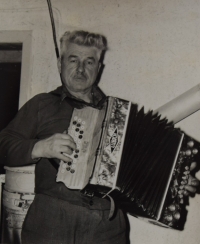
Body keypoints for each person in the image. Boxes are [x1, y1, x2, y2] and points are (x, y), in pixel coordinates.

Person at [0, 30, 199, 244]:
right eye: (73, 60)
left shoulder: (120, 115)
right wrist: (39, 147)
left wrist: (173, 178)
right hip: (52, 221)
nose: (80, 69)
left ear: (99, 68)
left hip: (107, 226)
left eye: (89, 62)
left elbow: (139, 166)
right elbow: (3, 146)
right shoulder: (42, 104)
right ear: (60, 64)